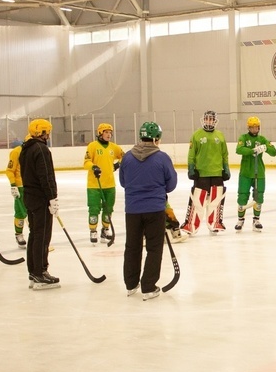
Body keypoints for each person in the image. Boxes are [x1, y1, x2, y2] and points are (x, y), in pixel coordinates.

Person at [119, 122, 177, 301]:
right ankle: (148, 286)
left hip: (133, 209)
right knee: (154, 248)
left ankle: (130, 284)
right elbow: (171, 184)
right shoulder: (162, 158)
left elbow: (123, 182)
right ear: (156, 138)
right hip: (155, 209)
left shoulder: (127, 158)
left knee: (132, 246)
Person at [19, 119, 60, 288]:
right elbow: (46, 176)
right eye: (47, 132)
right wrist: (52, 197)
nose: (48, 135)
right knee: (42, 236)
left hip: (29, 197)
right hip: (41, 199)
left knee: (34, 235)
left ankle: (33, 272)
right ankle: (40, 272)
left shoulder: (25, 149)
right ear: (42, 132)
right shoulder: (41, 149)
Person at [181, 110, 230, 235]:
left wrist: (226, 169)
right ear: (204, 119)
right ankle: (191, 225)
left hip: (217, 173)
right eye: (207, 119)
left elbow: (225, 154)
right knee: (197, 201)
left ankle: (214, 223)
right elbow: (191, 154)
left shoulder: (220, 135)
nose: (209, 121)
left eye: (211, 119)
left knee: (216, 201)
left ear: (214, 120)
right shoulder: (196, 135)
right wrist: (191, 169)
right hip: (201, 173)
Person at [83, 123, 124, 244]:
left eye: (110, 132)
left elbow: (125, 156)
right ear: (100, 133)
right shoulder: (93, 146)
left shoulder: (113, 147)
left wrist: (118, 164)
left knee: (109, 208)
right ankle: (93, 230)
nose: (109, 134)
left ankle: (105, 229)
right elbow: (86, 162)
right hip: (94, 185)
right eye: (106, 132)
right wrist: (93, 167)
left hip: (110, 184)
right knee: (94, 208)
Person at [234, 116, 276, 231]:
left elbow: (274, 152)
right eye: (252, 127)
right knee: (242, 195)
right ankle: (240, 220)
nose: (254, 129)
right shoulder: (243, 137)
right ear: (248, 127)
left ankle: (256, 219)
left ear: (259, 127)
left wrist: (265, 148)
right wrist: (252, 150)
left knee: (259, 196)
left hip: (259, 173)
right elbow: (239, 149)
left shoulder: (262, 139)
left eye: (256, 127)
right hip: (246, 172)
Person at [6, 135, 30, 249]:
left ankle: (35, 235)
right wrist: (13, 185)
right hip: (20, 186)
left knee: (34, 212)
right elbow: (10, 170)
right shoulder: (17, 152)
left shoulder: (35, 151)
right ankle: (19, 234)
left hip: (32, 186)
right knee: (21, 212)